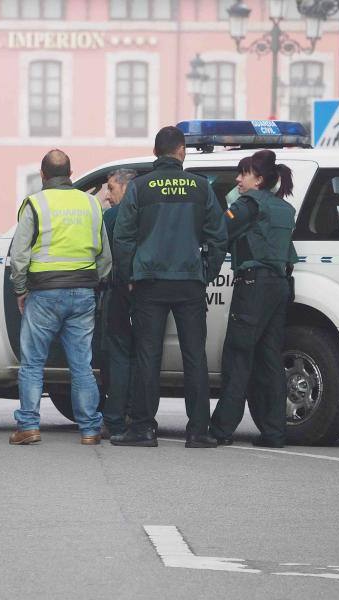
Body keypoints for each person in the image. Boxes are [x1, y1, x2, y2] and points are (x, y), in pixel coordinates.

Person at [112, 126, 227, 448]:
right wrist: (206, 272)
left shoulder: (139, 187)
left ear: (155, 152)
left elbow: (123, 237)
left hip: (149, 282)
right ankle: (198, 431)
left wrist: (129, 276)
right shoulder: (201, 188)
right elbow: (218, 237)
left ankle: (143, 429)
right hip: (189, 281)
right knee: (195, 357)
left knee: (148, 355)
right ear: (181, 151)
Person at [9, 149, 111, 445]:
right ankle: (90, 429)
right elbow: (105, 256)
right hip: (82, 293)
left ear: (43, 175)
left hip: (43, 294)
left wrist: (20, 289)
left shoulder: (36, 204)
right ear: (71, 173)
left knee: (32, 363)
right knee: (82, 364)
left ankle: (28, 426)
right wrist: (94, 283)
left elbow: (19, 255)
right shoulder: (91, 204)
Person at [210, 151, 297, 448]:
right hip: (280, 286)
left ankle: (220, 430)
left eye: (243, 174)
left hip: (254, 286)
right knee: (269, 359)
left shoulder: (248, 205)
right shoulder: (285, 209)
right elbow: (289, 253)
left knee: (238, 356)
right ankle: (274, 432)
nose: (238, 179)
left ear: (258, 179)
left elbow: (218, 230)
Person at [99, 168, 138, 438]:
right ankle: (139, 415)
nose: (107, 195)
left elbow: (100, 256)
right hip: (149, 292)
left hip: (119, 289)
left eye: (111, 188)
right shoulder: (150, 213)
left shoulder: (112, 217)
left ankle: (114, 417)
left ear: (126, 187)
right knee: (144, 355)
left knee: (118, 354)